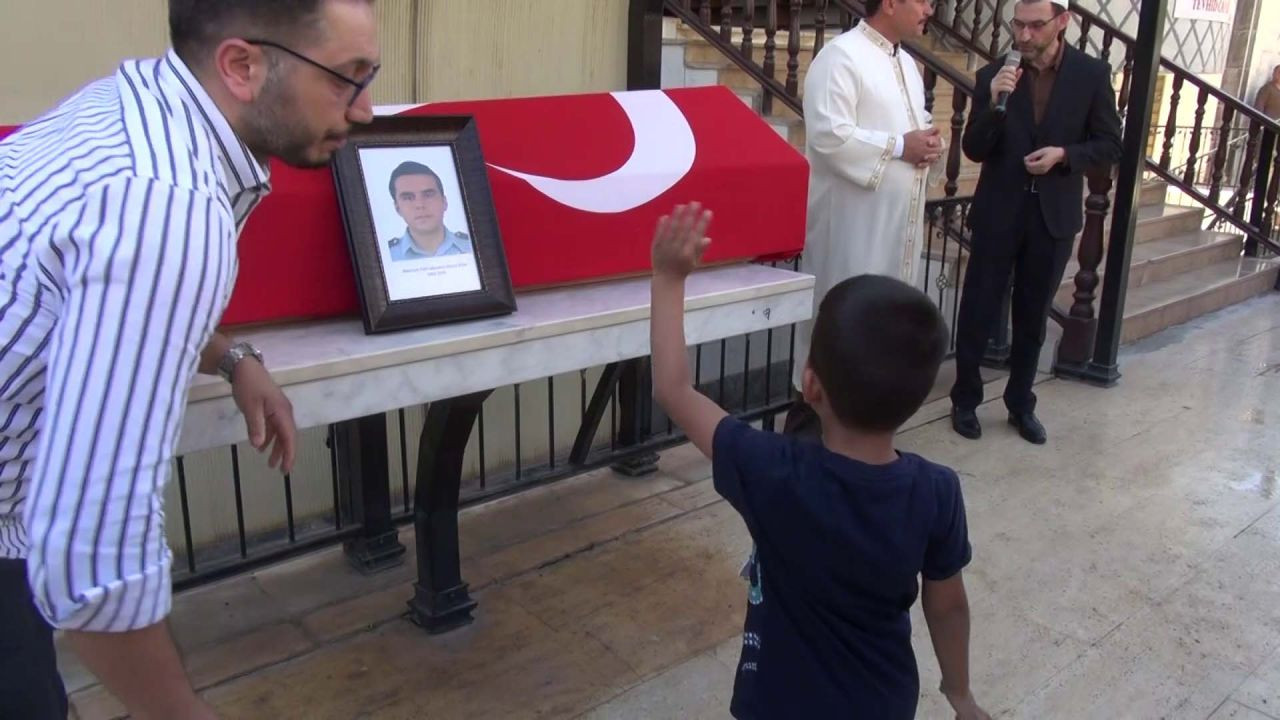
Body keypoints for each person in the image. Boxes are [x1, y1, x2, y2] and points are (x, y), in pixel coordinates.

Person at [0, 1, 380, 718]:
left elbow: (86, 293)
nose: (364, 109)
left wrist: (232, 356)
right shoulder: (168, 203)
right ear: (241, 66)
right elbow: (92, 551)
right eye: (345, 78)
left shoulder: (133, 107)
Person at [650, 202, 990, 719]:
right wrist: (960, 695)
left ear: (810, 385)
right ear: (917, 397)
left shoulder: (771, 471)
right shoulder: (936, 491)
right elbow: (947, 605)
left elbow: (673, 390)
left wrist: (668, 278)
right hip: (882, 702)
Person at [949, 0, 1122, 445]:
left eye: (1035, 26)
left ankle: (1020, 403)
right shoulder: (994, 75)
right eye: (1018, 25)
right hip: (998, 211)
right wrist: (994, 103)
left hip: (1052, 216)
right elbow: (973, 148)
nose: (1023, 35)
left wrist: (1065, 155)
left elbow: (1110, 144)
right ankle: (965, 399)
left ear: (1062, 21)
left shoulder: (1091, 74)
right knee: (978, 308)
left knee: (1032, 316)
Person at [786, 0, 946, 438]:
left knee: (882, 337)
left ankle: (865, 439)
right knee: (841, 332)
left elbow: (914, 126)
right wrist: (901, 146)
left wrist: (930, 144)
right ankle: (806, 442)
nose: (930, 9)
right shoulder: (841, 57)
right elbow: (829, 135)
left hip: (894, 230)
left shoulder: (907, 64)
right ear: (890, 3)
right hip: (851, 231)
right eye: (923, 0)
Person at [386, 161, 473, 261]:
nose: (420, 205)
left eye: (428, 195)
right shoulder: (387, 255)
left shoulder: (472, 246)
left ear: (444, 202)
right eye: (408, 198)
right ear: (397, 208)